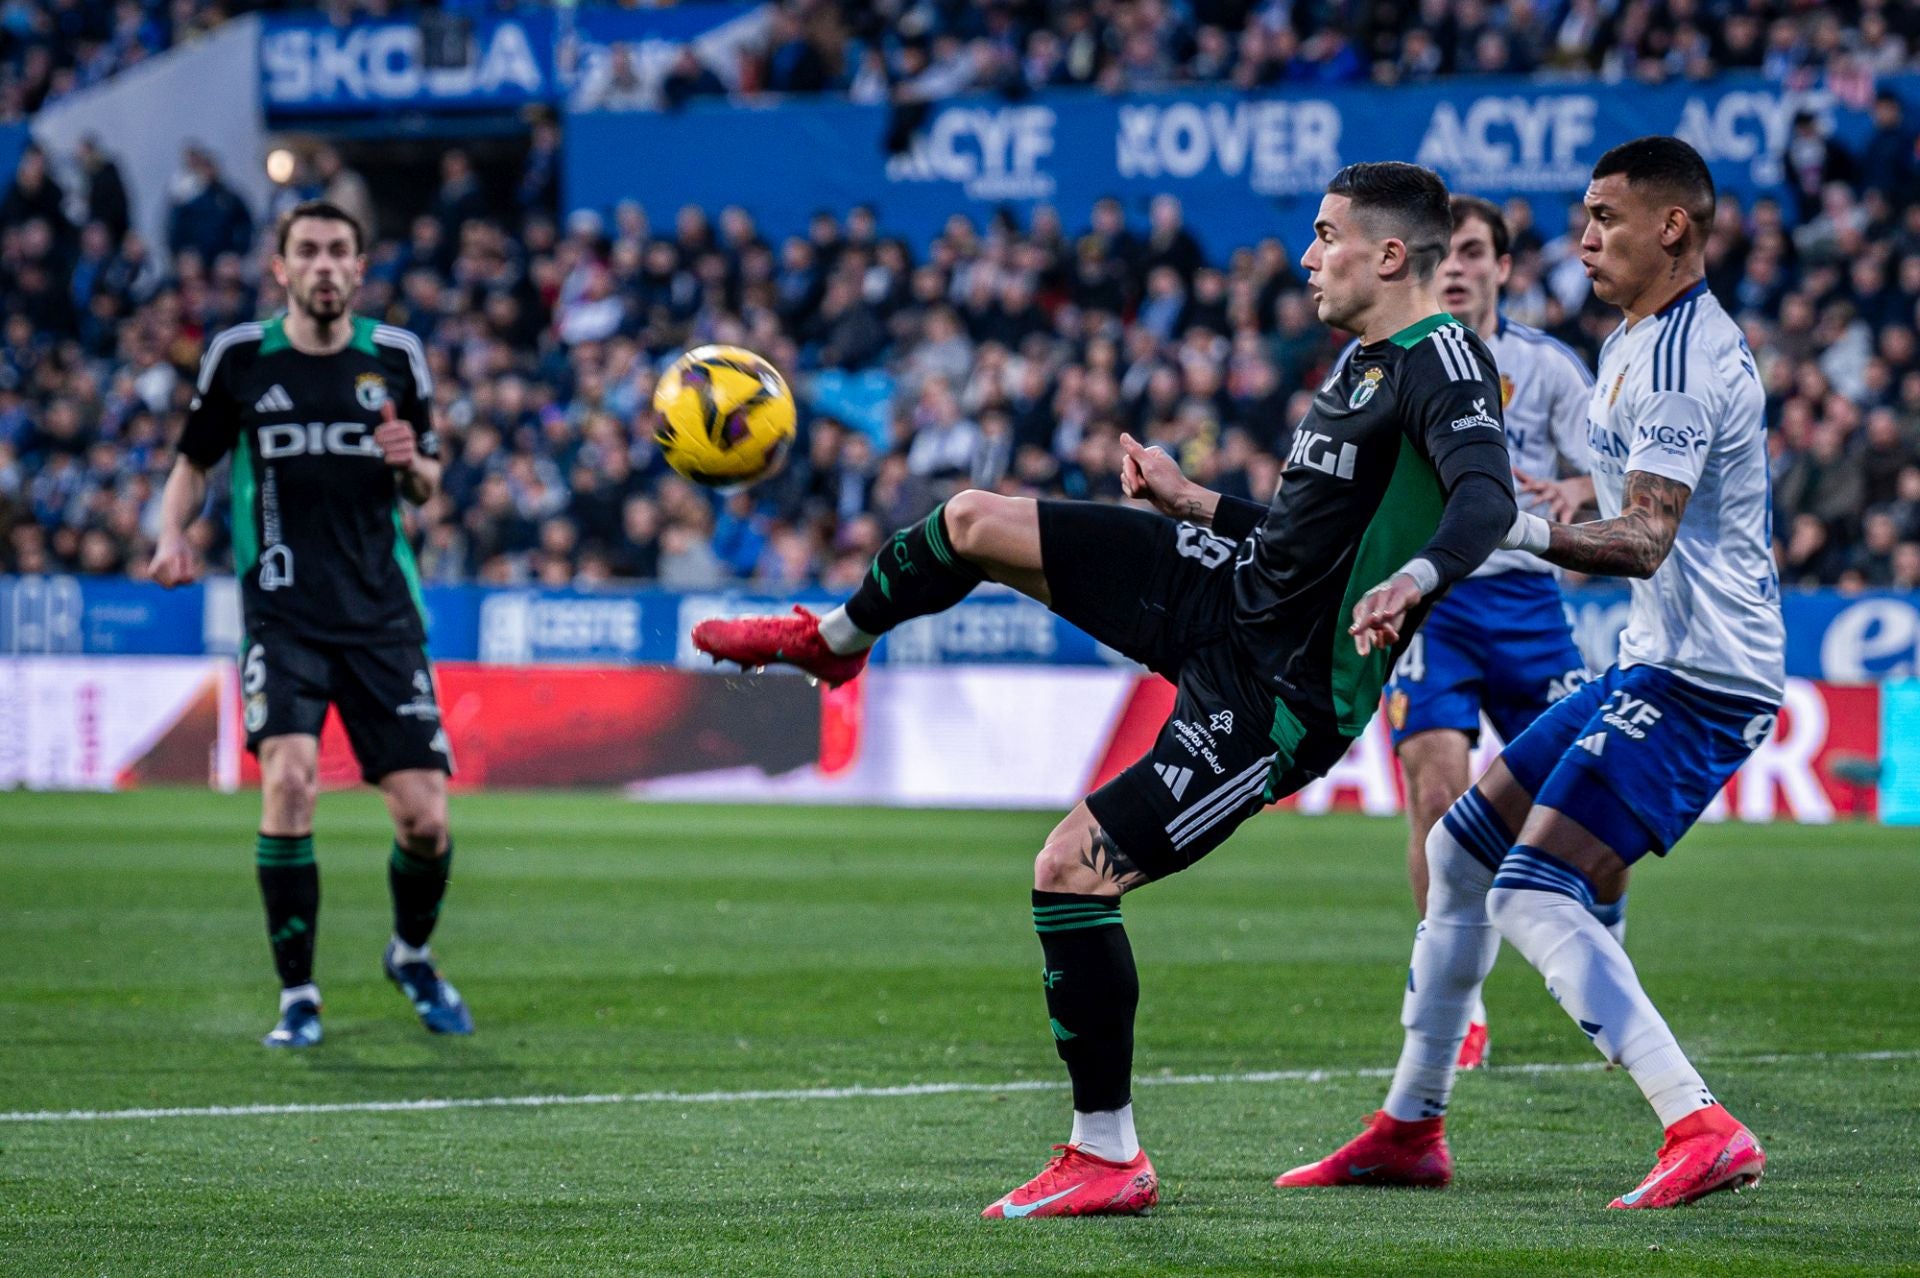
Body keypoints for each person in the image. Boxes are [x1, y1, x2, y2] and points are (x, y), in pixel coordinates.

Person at [693, 162, 1519, 1216]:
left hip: (1280, 693)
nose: (1307, 256)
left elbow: (1485, 502)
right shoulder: (1367, 361)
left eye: (1325, 235)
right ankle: (839, 641)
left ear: (1390, 255)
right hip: (1229, 597)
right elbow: (1304, 545)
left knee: (1070, 870)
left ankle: (1107, 1154)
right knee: (971, 522)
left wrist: (1415, 579)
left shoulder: (1445, 360)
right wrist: (1195, 501)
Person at [1277, 137, 1782, 1210]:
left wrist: (1501, 531)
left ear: (1672, 227)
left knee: (1532, 885)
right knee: (1461, 850)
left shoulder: (1684, 359)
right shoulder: (1633, 340)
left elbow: (1644, 538)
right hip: (1654, 661)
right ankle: (1409, 1128)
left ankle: (1699, 1122)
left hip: (1705, 680)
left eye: (1603, 217)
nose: (1584, 237)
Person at [148, 200, 470, 1049]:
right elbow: (193, 463)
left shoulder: (397, 357)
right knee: (289, 783)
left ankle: (411, 953)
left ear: (360, 269)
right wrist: (171, 532)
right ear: (281, 268)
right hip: (282, 614)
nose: (325, 266)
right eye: (308, 252)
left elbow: (429, 477)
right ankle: (299, 996)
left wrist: (415, 468)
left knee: (425, 820)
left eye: (339, 252)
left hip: (383, 617)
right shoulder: (241, 357)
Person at [1384, 194, 1600, 1070]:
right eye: (1449, 255)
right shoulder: (1397, 362)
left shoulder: (1549, 368)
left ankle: (1600, 958)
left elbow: (1606, 471)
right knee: (1437, 798)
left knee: (1588, 807)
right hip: (1438, 602)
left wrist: (1581, 494)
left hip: (1530, 606)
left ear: (1503, 268)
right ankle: (1455, 997)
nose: (1460, 268)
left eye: (1476, 252)